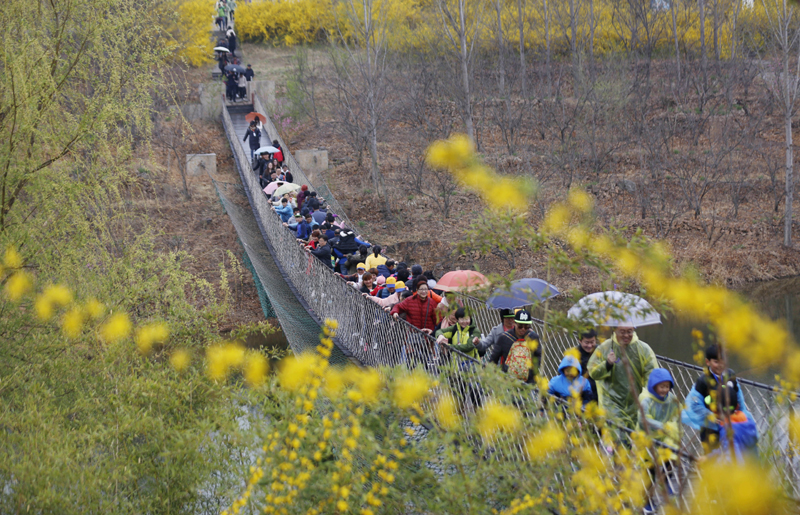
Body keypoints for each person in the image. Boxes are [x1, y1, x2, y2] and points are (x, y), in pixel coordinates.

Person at [681, 344, 755, 454]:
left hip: (731, 425)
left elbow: (739, 398)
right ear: (708, 362)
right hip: (711, 429)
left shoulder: (730, 375)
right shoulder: (703, 381)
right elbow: (694, 404)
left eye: (723, 361)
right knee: (711, 457)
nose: (720, 365)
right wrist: (711, 416)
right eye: (716, 362)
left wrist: (740, 417)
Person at [587, 326, 658, 430]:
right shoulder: (605, 348)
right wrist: (607, 364)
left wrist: (649, 397)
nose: (626, 335)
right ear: (615, 330)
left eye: (629, 332)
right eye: (622, 332)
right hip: (611, 403)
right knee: (616, 435)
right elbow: (593, 372)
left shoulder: (643, 349)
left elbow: (652, 375)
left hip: (635, 402)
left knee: (633, 438)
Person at [487, 309, 541, 384]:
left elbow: (538, 357)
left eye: (526, 327)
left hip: (529, 381)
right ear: (514, 323)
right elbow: (494, 359)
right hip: (508, 381)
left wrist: (532, 375)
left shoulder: (533, 337)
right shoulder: (504, 338)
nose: (523, 329)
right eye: (520, 326)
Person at [639, 368, 681, 448]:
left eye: (667, 387)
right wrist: (662, 426)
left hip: (665, 439)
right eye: (662, 387)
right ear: (654, 386)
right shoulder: (647, 401)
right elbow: (643, 421)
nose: (665, 390)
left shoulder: (671, 399)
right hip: (647, 439)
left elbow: (678, 412)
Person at [572, 329, 599, 402]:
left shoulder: (600, 351)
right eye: (586, 342)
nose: (590, 346)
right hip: (581, 394)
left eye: (592, 342)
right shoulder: (573, 354)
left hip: (598, 392)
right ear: (579, 340)